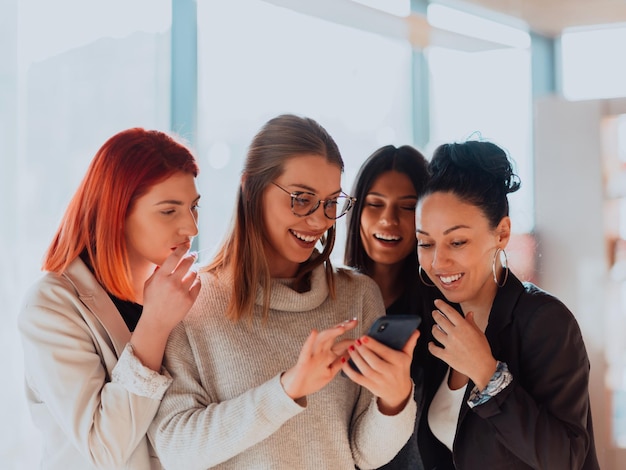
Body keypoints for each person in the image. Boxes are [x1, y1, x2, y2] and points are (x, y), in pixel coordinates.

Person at [149, 114, 419, 470]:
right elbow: (176, 449)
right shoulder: (191, 300)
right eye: (302, 199)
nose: (320, 220)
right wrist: (288, 388)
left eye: (331, 202)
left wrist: (395, 400)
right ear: (251, 188)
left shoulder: (358, 296)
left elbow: (364, 455)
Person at [19, 128, 202, 469]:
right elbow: (105, 448)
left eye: (194, 207)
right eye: (169, 211)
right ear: (116, 212)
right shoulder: (50, 308)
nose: (191, 228)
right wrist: (155, 325)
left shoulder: (183, 292)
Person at [414, 140, 600, 469]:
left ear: (501, 233)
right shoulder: (435, 323)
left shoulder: (544, 321)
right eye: (426, 243)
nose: (438, 261)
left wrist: (488, 374)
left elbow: (567, 459)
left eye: (457, 242)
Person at [344, 144, 431, 469]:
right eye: (374, 204)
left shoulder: (440, 315)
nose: (388, 220)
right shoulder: (329, 301)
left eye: (407, 207)